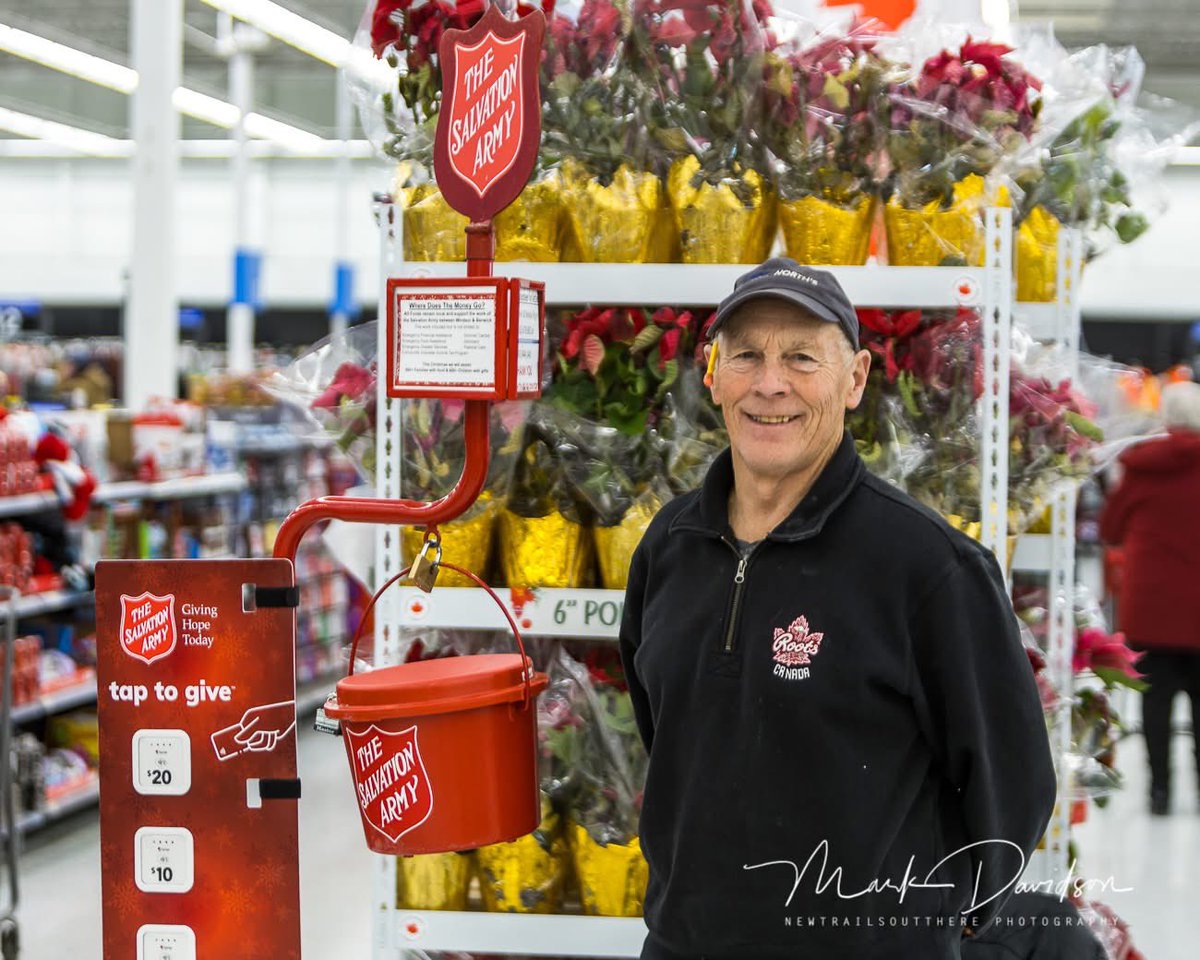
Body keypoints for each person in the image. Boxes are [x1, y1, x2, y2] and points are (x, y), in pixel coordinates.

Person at [619, 258, 1057, 960]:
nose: (770, 383)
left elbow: (1012, 780)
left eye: (801, 357)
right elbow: (666, 730)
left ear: (854, 379)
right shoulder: (670, 545)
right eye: (746, 356)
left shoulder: (928, 567)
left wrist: (927, 924)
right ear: (714, 374)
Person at [1099, 380, 1200, 816]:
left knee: (1155, 704)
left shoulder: (1142, 467)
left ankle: (1160, 792)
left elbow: (1110, 530)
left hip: (1151, 607)